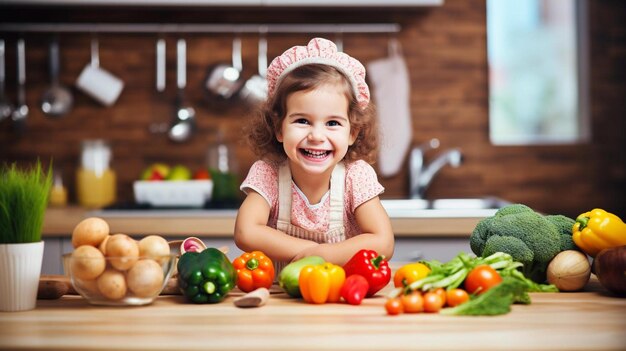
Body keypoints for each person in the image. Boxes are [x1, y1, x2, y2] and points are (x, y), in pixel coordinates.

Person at [234, 37, 394, 271]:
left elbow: (383, 242)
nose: (317, 136)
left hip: (339, 299)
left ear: (352, 133)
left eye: (332, 123)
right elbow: (245, 232)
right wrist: (312, 253)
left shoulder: (355, 176)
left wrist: (321, 255)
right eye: (302, 121)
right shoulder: (268, 173)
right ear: (279, 128)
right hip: (281, 300)